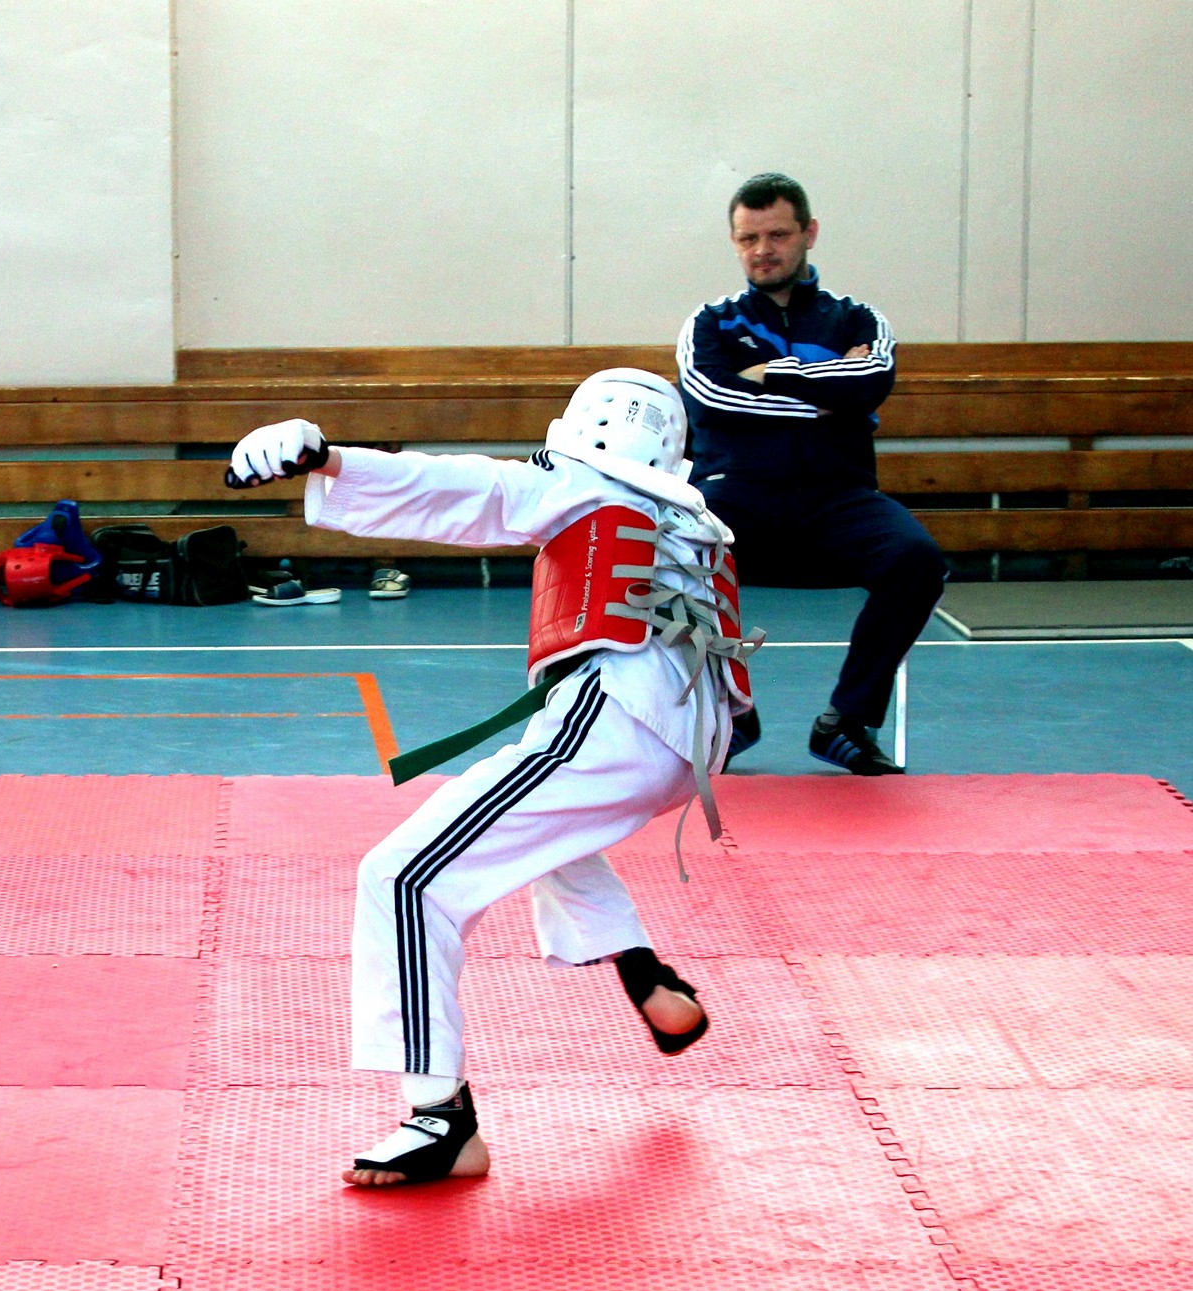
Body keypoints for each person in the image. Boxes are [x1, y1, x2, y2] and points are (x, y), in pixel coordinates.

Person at [227, 371, 758, 1186]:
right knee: (538, 825)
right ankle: (644, 973)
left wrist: (330, 461)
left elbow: (466, 487)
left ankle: (440, 1121)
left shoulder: (580, 481)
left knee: (404, 878)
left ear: (583, 428)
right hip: (691, 742)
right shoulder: (695, 517)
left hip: (616, 717)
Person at [677, 171, 947, 776]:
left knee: (917, 561)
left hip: (838, 498)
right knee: (667, 544)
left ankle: (847, 722)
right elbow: (710, 399)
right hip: (737, 498)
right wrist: (828, 398)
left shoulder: (858, 321)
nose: (762, 250)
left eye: (777, 234)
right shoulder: (709, 323)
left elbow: (872, 381)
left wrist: (767, 374)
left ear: (809, 234)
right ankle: (732, 712)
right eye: (748, 238)